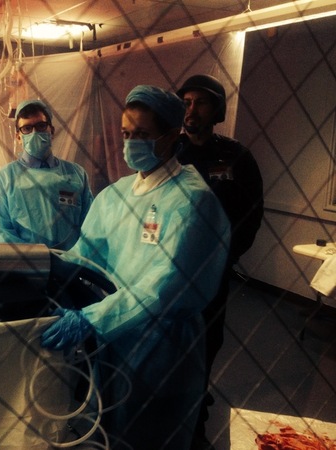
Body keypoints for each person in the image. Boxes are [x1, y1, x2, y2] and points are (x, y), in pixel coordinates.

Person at [40, 85, 231, 449]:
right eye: (126, 134)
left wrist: (92, 318)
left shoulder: (192, 200)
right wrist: (40, 272)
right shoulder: (117, 194)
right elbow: (83, 254)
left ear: (171, 135)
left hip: (162, 345)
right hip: (115, 335)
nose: (130, 144)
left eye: (142, 134)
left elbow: (164, 286)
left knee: (151, 435)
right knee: (108, 430)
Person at [175, 74, 264, 450]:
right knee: (172, 342)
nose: (191, 110)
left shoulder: (236, 157)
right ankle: (171, 407)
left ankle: (195, 415)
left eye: (201, 102)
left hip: (213, 272)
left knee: (207, 340)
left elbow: (251, 213)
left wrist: (226, 258)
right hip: (172, 270)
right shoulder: (171, 153)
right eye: (186, 102)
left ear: (217, 110)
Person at [0, 99, 94, 251]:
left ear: (52, 131)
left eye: (41, 126)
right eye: (27, 128)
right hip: (27, 262)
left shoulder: (77, 174)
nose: (35, 133)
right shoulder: (4, 179)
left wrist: (77, 256)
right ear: (18, 137)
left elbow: (90, 224)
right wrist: (33, 258)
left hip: (73, 260)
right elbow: (2, 232)